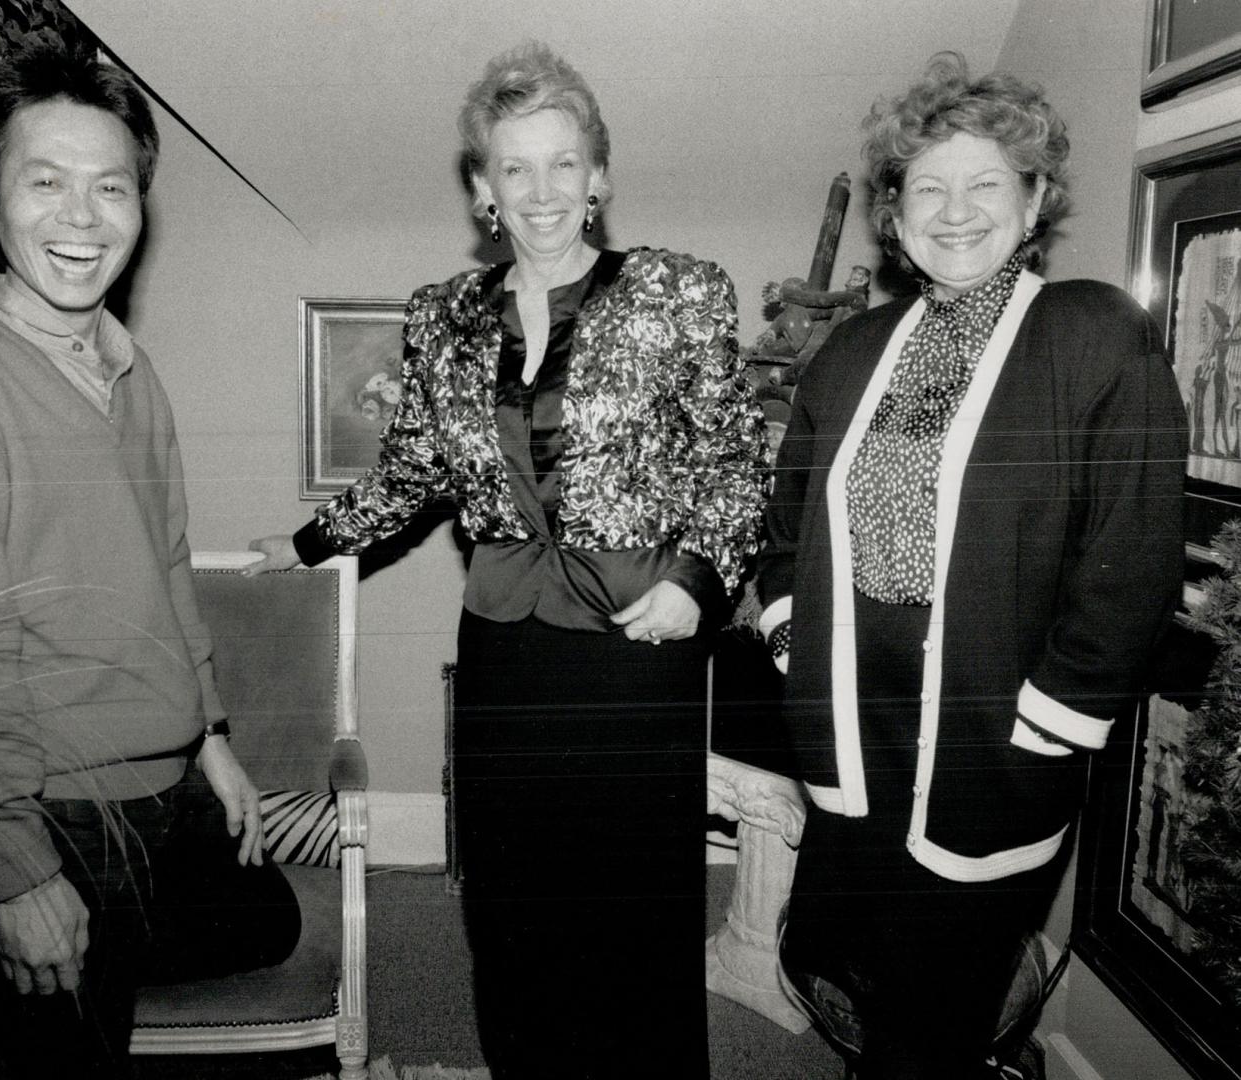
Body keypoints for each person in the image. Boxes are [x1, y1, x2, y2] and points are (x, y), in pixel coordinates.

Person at [247, 40, 769, 1080]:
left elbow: (735, 465)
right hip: (503, 651)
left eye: (562, 164)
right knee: (512, 905)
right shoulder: (442, 313)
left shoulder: (678, 292)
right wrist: (302, 544)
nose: (540, 191)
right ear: (484, 187)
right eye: (514, 168)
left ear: (598, 179)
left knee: (631, 911)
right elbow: (412, 475)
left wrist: (693, 584)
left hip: (634, 646)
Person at [0, 42, 299, 1078]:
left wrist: (211, 739)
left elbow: (164, 561)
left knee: (263, 922)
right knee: (72, 1050)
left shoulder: (123, 362)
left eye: (109, 187)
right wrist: (15, 879)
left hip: (159, 777)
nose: (81, 217)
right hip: (56, 803)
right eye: (44, 182)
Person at [757, 53, 1186, 1078]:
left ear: (1032, 199)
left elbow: (1131, 550)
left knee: (937, 1002)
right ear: (893, 214)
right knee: (843, 966)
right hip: (854, 721)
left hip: (993, 735)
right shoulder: (851, 350)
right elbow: (784, 520)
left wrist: (1053, 718)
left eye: (984, 184)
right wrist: (787, 636)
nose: (953, 212)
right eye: (925, 188)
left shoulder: (1089, 334)